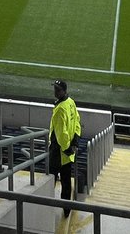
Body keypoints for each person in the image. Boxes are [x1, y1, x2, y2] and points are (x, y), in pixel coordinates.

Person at [49, 79, 82, 217]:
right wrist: (75, 141)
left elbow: (61, 133)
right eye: (55, 88)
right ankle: (67, 208)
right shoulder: (71, 102)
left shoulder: (60, 109)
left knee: (51, 178)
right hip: (68, 152)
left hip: (59, 151)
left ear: (64, 91)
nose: (55, 91)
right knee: (66, 181)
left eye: (58, 89)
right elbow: (77, 122)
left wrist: (66, 148)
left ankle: (46, 203)